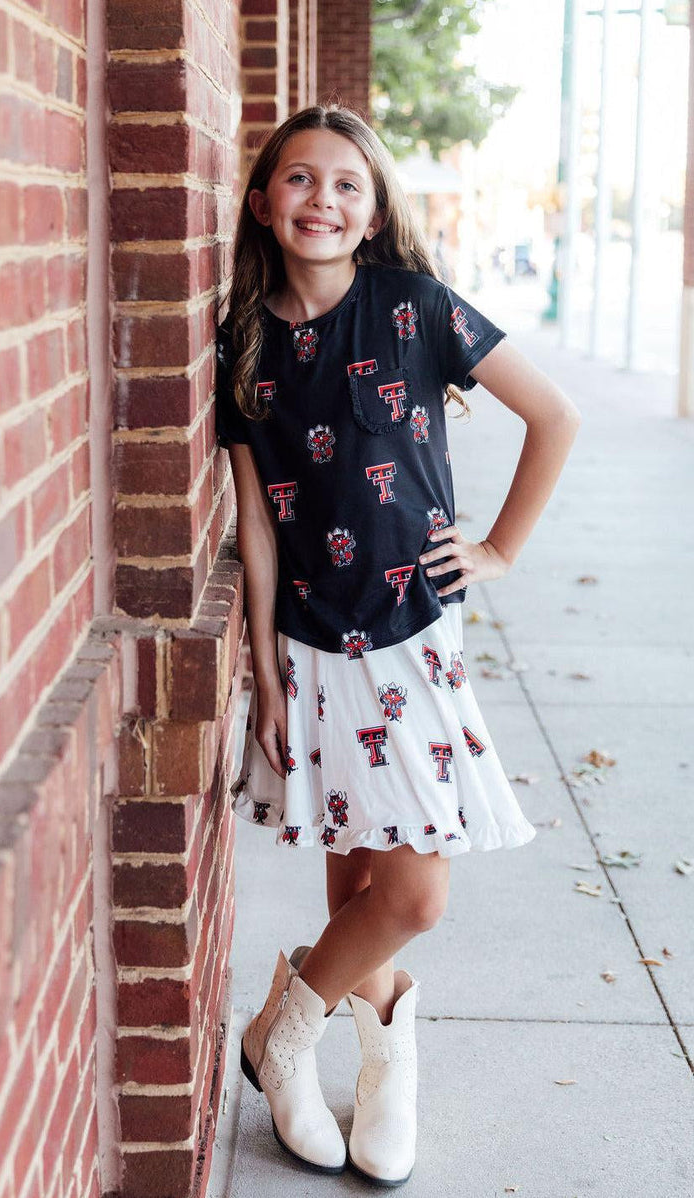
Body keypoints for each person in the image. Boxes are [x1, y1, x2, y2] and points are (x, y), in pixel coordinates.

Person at [215, 104, 581, 1187]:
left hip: (409, 635)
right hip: (310, 643)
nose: (321, 200)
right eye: (299, 178)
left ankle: (278, 1035)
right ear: (261, 202)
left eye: (346, 185)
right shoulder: (243, 340)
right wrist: (264, 666)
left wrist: (500, 549)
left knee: (414, 896)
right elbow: (255, 518)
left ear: (372, 216)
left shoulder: (416, 306)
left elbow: (554, 415)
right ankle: (383, 1066)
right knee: (358, 879)